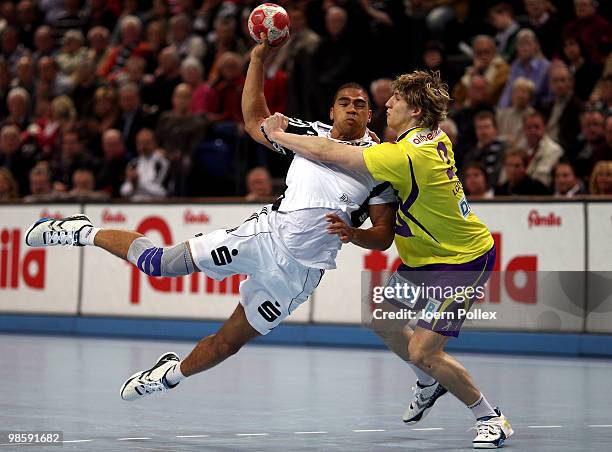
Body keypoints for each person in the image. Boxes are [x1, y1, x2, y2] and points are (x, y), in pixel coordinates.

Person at [24, 34, 397, 423]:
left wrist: (354, 234)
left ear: (371, 115)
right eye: (345, 103)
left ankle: (168, 374)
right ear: (332, 111)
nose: (353, 109)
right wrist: (257, 59)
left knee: (226, 345)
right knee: (159, 263)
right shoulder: (309, 134)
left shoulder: (380, 164)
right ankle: (81, 231)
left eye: (361, 104)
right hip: (264, 237)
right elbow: (255, 121)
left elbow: (384, 235)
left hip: (298, 275)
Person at [261, 70, 513, 449]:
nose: (388, 104)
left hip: (462, 261)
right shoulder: (430, 138)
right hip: (425, 258)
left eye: (395, 100)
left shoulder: (406, 155)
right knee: (384, 321)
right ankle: (429, 385)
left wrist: (279, 135)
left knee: (423, 351)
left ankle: (490, 417)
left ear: (413, 110)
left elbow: (331, 151)